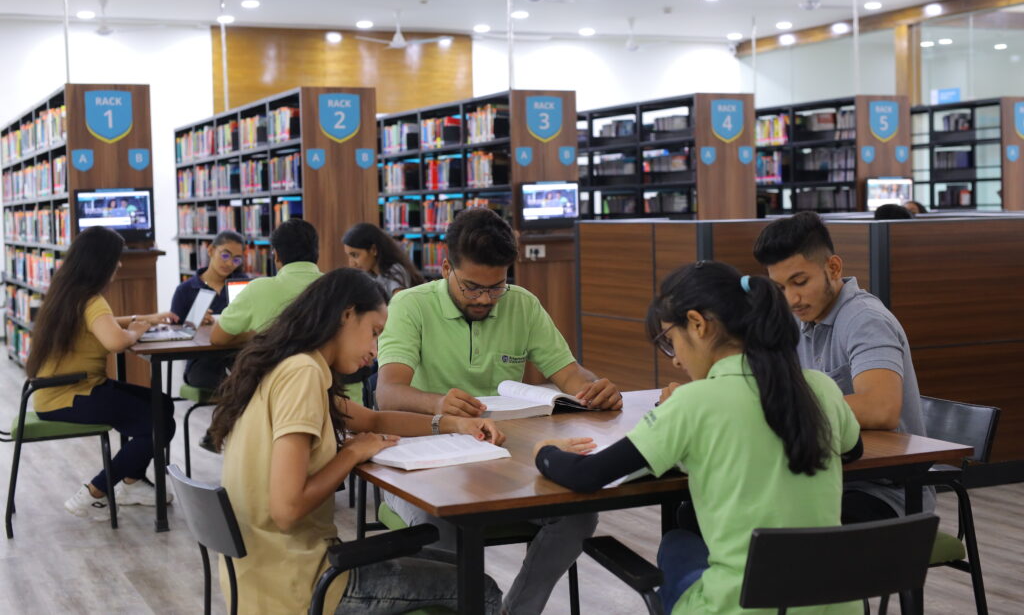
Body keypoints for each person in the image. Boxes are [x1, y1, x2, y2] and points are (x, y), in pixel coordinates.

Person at [533, 262, 862, 615]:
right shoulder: (821, 388)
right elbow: (851, 449)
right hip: (837, 606)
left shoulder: (693, 403)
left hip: (742, 609)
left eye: (670, 342)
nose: (675, 362)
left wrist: (545, 453)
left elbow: (588, 475)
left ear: (698, 324)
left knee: (677, 543)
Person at [208, 268, 504, 614]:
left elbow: (374, 418)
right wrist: (351, 454)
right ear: (347, 314)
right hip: (300, 584)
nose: (375, 351)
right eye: (374, 333)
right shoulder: (302, 374)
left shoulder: (286, 366)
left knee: (456, 566)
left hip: (261, 577)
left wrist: (453, 423)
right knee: (480, 589)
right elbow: (286, 511)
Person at [376, 207, 621, 615]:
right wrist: (438, 402)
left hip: (507, 457)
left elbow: (570, 374)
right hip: (423, 460)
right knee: (441, 524)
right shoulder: (410, 305)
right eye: (473, 287)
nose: (485, 299)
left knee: (578, 517)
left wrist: (595, 391)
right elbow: (388, 392)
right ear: (445, 267)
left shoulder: (522, 304)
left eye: (496, 287)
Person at [752, 211, 933, 522]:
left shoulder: (865, 320)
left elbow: (881, 408)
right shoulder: (799, 320)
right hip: (828, 478)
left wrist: (787, 409)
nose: (792, 299)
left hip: (884, 490)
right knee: (704, 513)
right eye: (780, 288)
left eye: (800, 282)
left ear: (833, 268)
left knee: (766, 527)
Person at [26, 226, 179, 518]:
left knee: (162, 404)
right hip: (70, 395)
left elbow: (103, 323)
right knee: (159, 424)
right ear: (101, 262)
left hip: (60, 391)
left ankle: (132, 484)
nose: (120, 264)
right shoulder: (91, 299)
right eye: (116, 258)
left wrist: (144, 318)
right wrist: (134, 332)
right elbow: (115, 341)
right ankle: (96, 490)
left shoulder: (69, 292)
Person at [211, 218, 322, 346]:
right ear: (316, 252)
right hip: (320, 365)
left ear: (276, 256)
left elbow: (217, 338)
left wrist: (254, 335)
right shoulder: (336, 287)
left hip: (275, 365)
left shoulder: (257, 289)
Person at [170, 230, 247, 389]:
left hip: (238, 355)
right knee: (232, 385)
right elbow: (172, 331)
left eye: (236, 259)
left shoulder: (243, 287)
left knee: (251, 376)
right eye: (225, 255)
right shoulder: (186, 290)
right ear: (211, 250)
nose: (229, 263)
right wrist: (193, 320)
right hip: (202, 360)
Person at [342, 222, 424, 300]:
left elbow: (400, 306)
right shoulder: (371, 275)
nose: (352, 264)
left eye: (355, 255)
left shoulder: (394, 272)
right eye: (349, 256)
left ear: (373, 250)